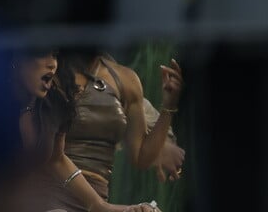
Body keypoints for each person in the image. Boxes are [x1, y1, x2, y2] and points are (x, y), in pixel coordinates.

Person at [13, 49, 160, 212]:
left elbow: (57, 159)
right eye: (42, 54)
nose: (52, 64)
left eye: (54, 56)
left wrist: (103, 206)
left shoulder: (52, 104)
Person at [47, 50, 184, 210]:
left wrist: (168, 106)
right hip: (52, 190)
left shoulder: (125, 79)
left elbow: (141, 156)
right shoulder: (49, 71)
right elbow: (52, 156)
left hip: (99, 195)